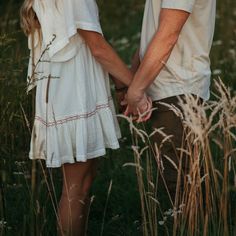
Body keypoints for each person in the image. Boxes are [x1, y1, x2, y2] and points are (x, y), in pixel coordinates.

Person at [20, 0, 151, 235]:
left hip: (74, 86)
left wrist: (122, 84)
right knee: (75, 187)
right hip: (71, 90)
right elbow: (97, 46)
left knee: (84, 180)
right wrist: (136, 89)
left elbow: (92, 40)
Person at [125, 0, 216, 205]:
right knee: (178, 178)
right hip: (165, 85)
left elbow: (168, 35)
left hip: (179, 87)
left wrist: (136, 90)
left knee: (182, 186)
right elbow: (155, 31)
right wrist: (134, 74)